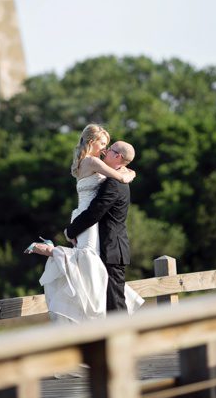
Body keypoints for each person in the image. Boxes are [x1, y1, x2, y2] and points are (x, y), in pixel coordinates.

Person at [26, 125, 144, 322]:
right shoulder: (92, 162)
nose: (105, 149)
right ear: (92, 142)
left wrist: (126, 170)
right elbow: (121, 175)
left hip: (88, 220)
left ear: (117, 157)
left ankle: (96, 318)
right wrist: (129, 174)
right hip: (86, 219)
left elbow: (119, 175)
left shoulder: (92, 164)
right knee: (87, 260)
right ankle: (50, 251)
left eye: (109, 147)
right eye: (104, 144)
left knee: (91, 267)